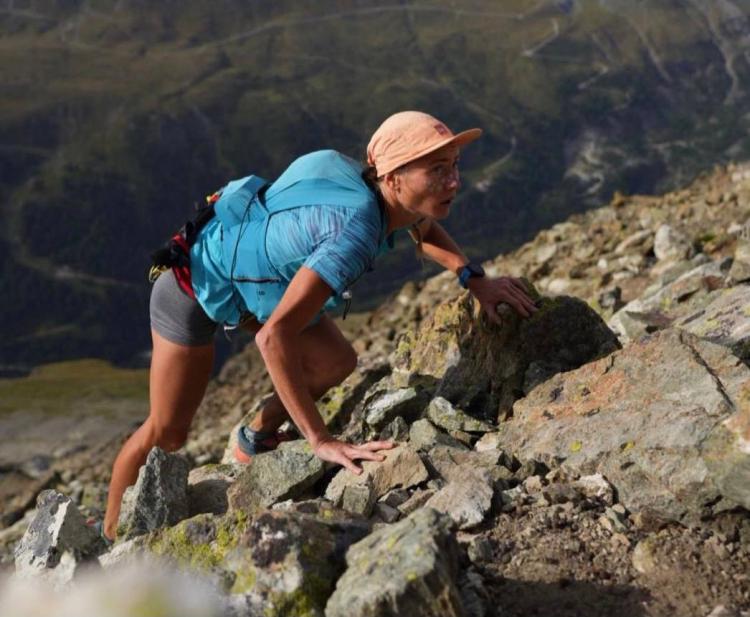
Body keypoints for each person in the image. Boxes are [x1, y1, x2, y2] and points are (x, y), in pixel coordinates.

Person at [102, 111, 538, 540]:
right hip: (191, 289)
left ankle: (254, 437)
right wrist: (320, 440)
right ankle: (110, 532)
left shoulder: (371, 185)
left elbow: (422, 226)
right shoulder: (354, 231)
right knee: (168, 433)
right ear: (393, 179)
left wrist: (474, 279)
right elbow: (274, 337)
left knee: (335, 362)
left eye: (455, 165)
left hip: (256, 283)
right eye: (437, 170)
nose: (454, 182)